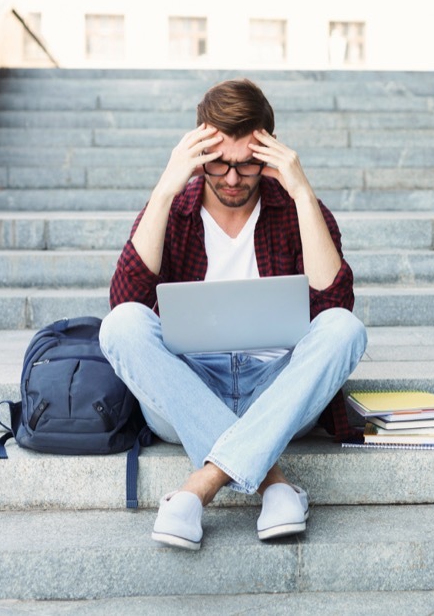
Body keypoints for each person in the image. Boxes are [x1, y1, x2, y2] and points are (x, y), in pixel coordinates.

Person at [99, 78, 367, 551]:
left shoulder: (294, 209)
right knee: (121, 325)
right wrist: (165, 188)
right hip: (189, 388)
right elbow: (126, 300)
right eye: (218, 163)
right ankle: (275, 484)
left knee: (345, 330)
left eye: (246, 166)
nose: (231, 178)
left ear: (268, 156)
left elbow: (334, 304)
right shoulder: (176, 209)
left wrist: (302, 192)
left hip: (276, 389)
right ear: (198, 153)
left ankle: (197, 489)